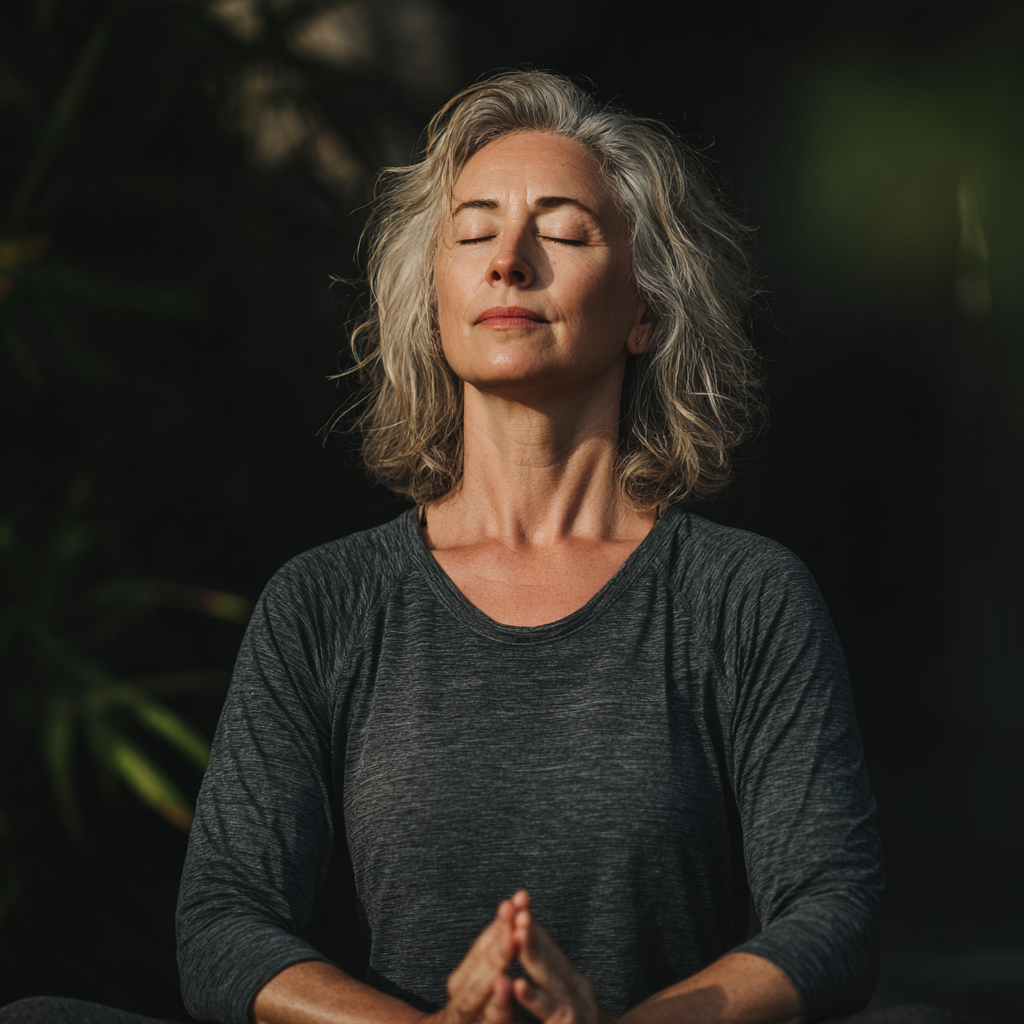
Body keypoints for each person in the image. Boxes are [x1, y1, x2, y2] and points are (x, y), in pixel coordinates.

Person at [3, 71, 960, 1024]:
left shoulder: (744, 597)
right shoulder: (325, 603)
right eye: (472, 234)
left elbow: (832, 916)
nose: (508, 261)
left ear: (647, 309)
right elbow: (224, 925)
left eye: (564, 231)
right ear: (435, 300)